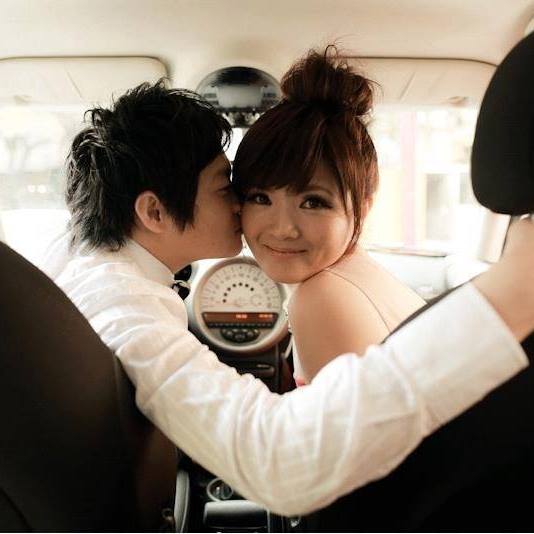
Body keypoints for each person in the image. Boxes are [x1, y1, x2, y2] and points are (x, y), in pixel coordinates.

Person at [40, 79, 533, 516]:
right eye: (230, 189)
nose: (244, 208)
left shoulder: (87, 264)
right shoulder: (120, 304)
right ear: (154, 212)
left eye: (313, 201)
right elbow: (277, 460)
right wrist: (509, 294)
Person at [232, 48, 425, 385]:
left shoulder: (321, 298)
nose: (283, 229)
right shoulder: (358, 276)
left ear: (364, 205)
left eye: (313, 202)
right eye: (260, 198)